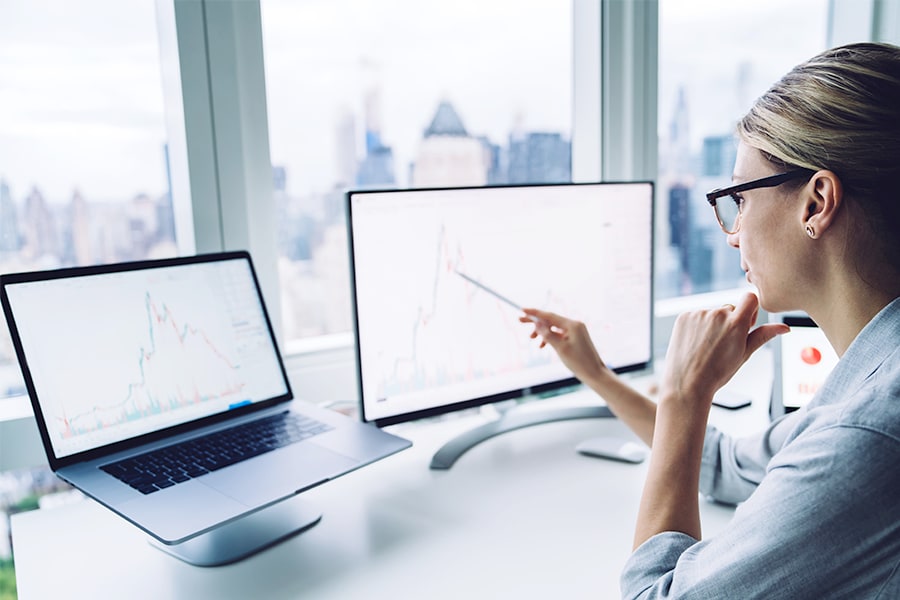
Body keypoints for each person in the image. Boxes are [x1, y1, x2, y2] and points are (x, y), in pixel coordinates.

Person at [521, 42, 900, 598]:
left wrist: (683, 394)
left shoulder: (865, 437)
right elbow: (722, 465)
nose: (732, 232)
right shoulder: (871, 377)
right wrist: (600, 376)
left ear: (817, 203)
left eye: (739, 199)